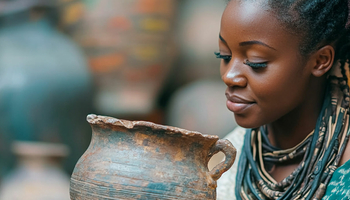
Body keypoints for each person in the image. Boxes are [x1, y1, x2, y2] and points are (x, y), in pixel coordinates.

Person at [215, 0, 350, 199]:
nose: (229, 76)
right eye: (224, 56)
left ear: (320, 60)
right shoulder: (224, 164)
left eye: (256, 63)